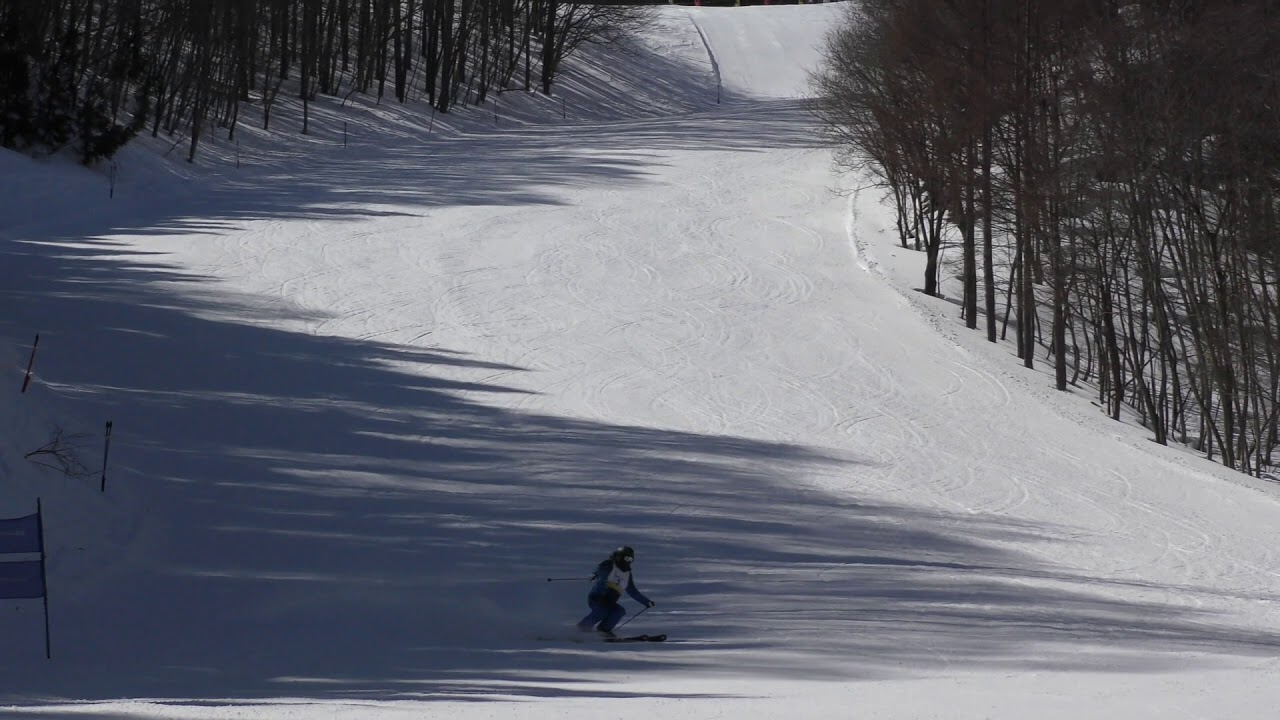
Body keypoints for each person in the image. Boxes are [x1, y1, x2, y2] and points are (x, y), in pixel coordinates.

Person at [576, 545, 655, 635]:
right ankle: (582, 628)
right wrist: (594, 574)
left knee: (619, 611)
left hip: (609, 601)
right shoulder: (609, 564)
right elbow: (600, 569)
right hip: (597, 597)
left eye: (630, 560)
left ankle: (603, 630)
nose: (628, 561)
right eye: (626, 558)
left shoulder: (627, 574)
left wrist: (646, 602)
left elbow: (633, 592)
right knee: (602, 611)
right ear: (619, 556)